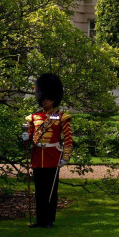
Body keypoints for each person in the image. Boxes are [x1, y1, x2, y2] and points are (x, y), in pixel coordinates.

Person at [24, 72, 72, 228]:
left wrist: (65, 157)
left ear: (53, 98)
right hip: (38, 157)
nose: (45, 100)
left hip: (53, 157)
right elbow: (31, 136)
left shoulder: (61, 117)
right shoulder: (34, 117)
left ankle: (49, 219)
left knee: (51, 191)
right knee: (39, 191)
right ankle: (40, 219)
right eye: (43, 98)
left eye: (48, 98)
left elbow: (68, 139)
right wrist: (25, 136)